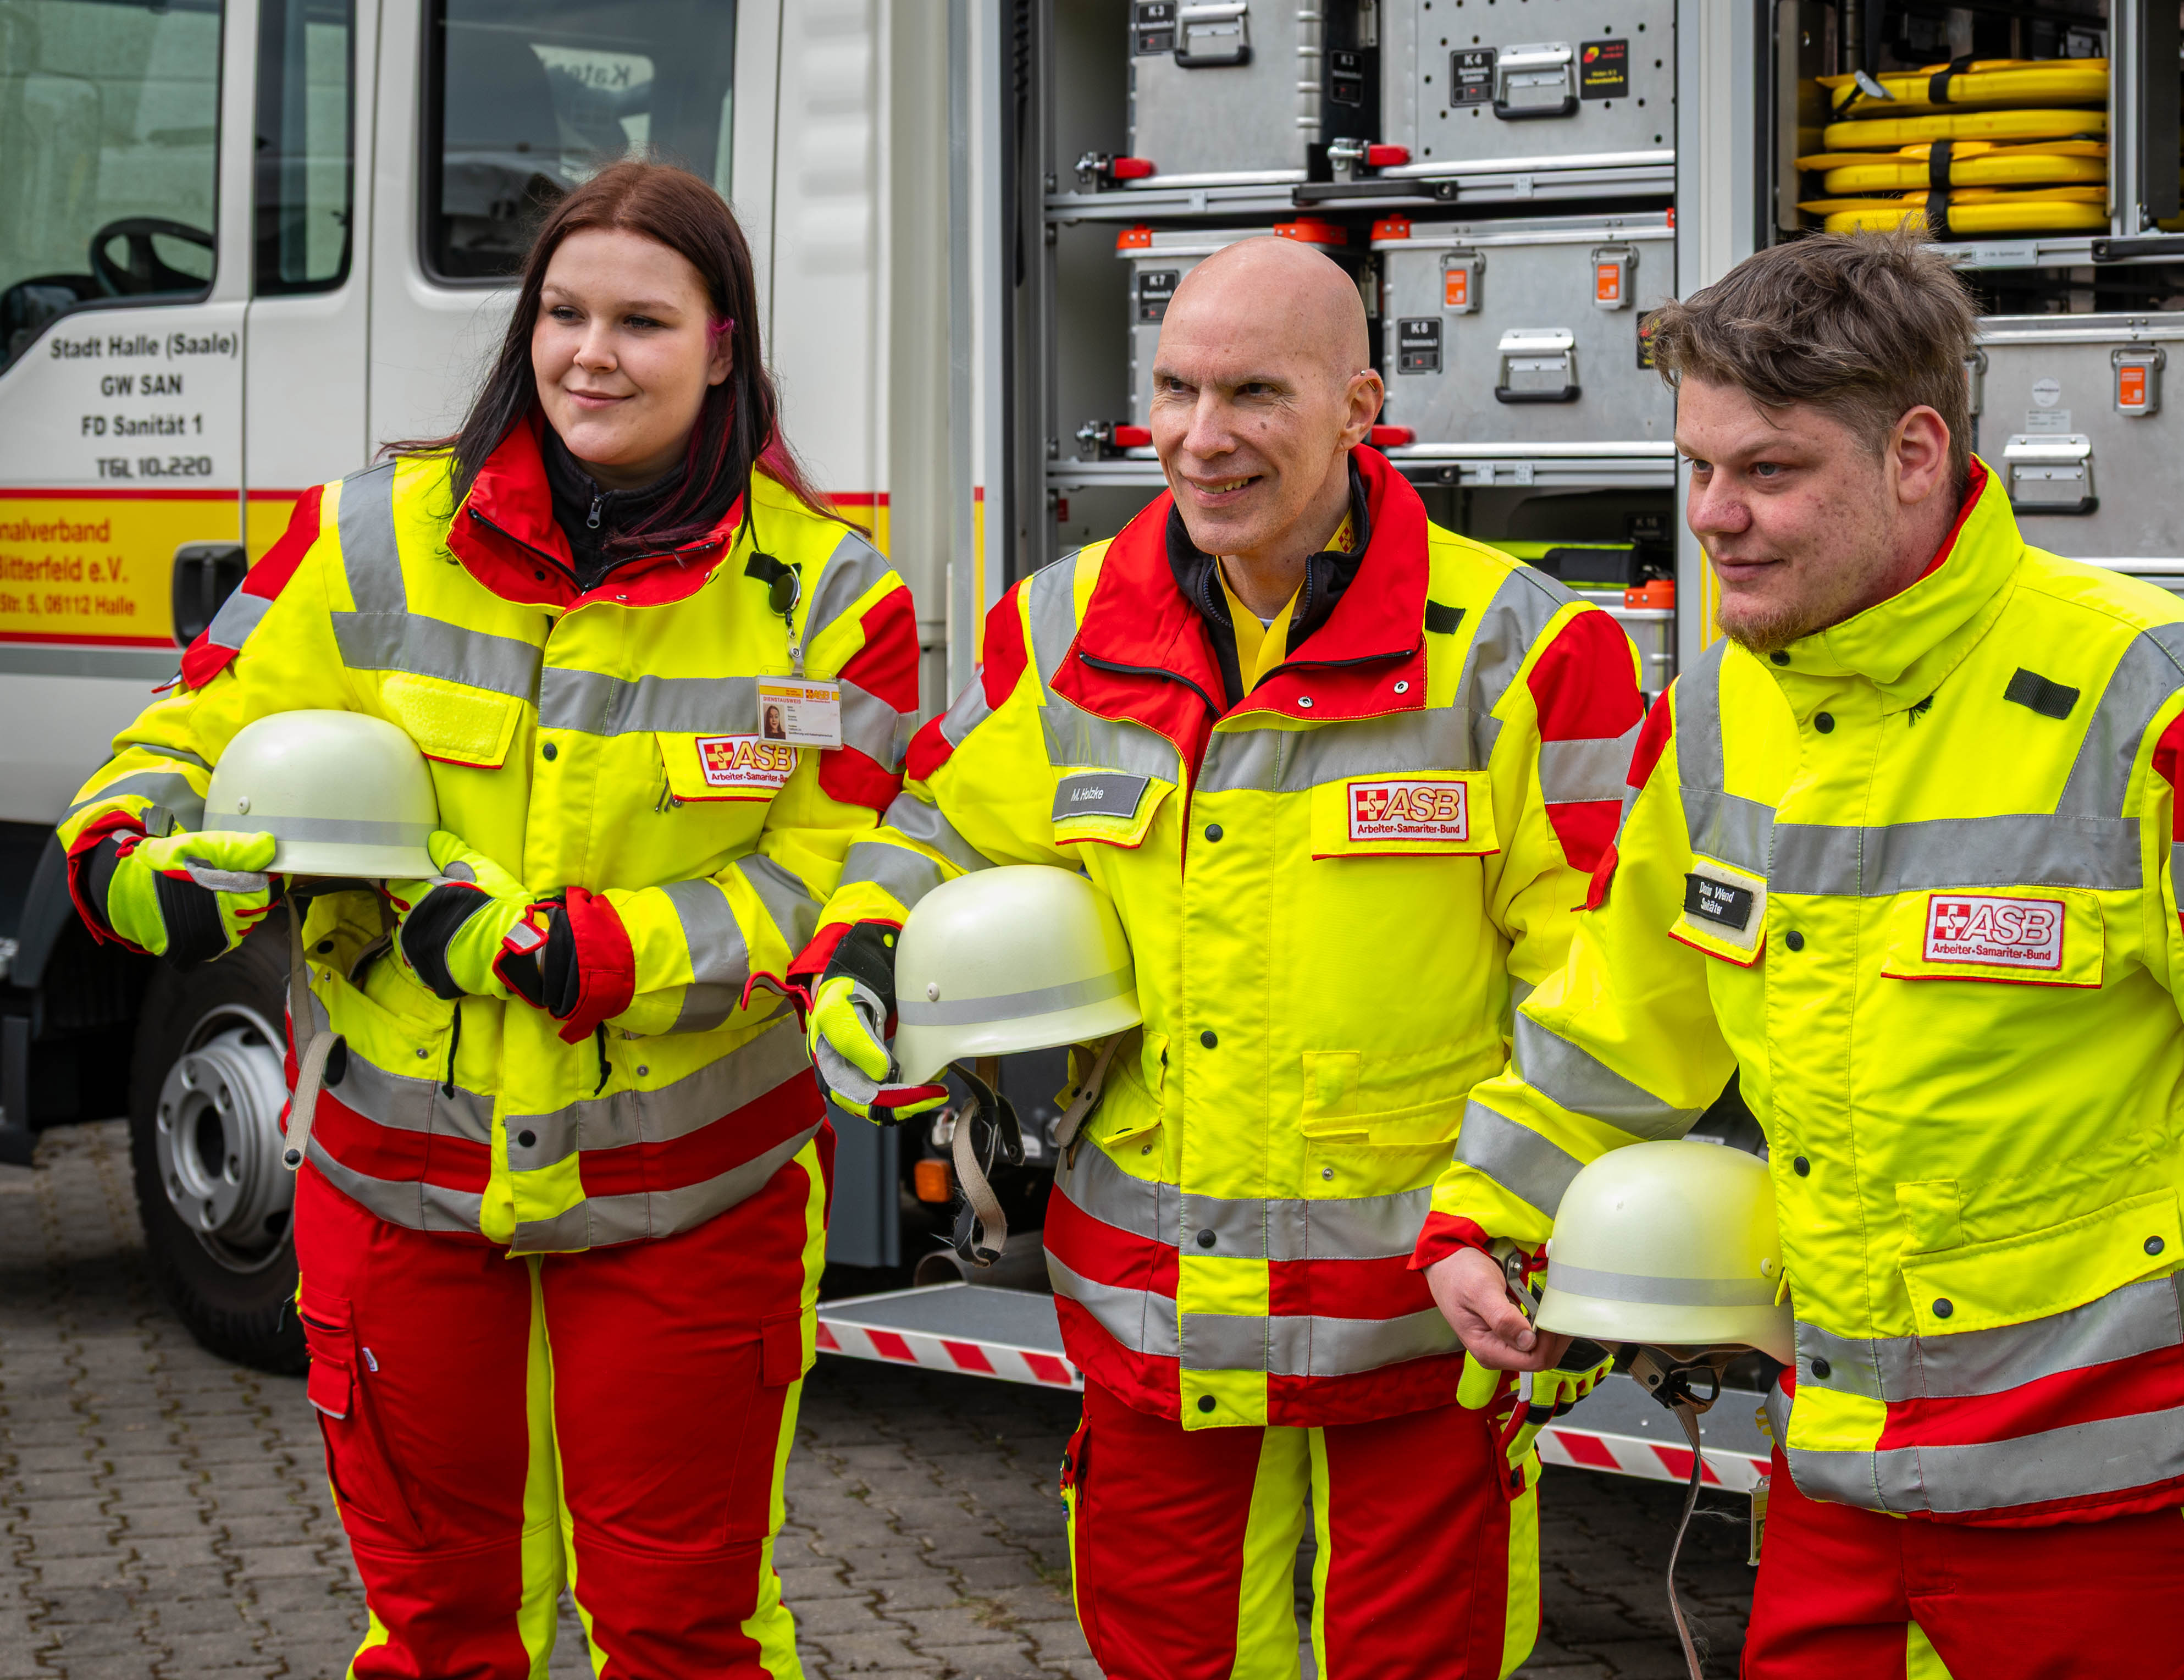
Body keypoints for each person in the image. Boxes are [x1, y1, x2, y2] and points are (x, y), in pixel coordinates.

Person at [1420, 233, 2184, 1680]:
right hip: (1834, 1489)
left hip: (2113, 1509)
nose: (1714, 517)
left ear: (1915, 453)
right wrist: (1480, 1215)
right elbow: (1621, 1021)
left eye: (1767, 471)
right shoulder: (1718, 715)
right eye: (1697, 468)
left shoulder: (2175, 708)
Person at [57, 161, 922, 1679]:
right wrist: (127, 841)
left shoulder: (830, 597)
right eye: (564, 313)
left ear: (725, 344)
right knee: (438, 1628)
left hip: (690, 1207)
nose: (592, 353)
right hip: (400, 1188)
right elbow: (197, 725)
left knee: (681, 1633)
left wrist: (595, 952)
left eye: (643, 322)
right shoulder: (372, 531)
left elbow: (839, 876)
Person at [795, 234, 1646, 1679]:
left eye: (1255, 392)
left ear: (1363, 410)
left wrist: (1531, 1217)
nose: (1202, 438)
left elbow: (1605, 976)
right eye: (1176, 390)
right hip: (1152, 1308)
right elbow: (939, 819)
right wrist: (868, 950)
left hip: (1422, 1313)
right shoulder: (1059, 632)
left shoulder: (1529, 653)